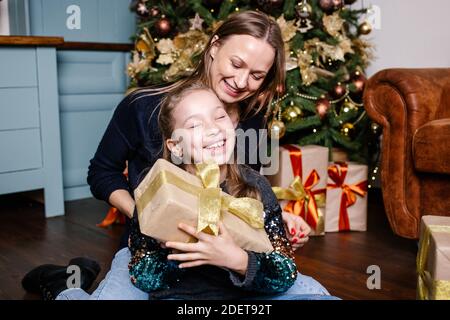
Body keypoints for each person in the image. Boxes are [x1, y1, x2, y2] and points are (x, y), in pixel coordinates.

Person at [22, 10, 316, 300]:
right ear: (214, 48)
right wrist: (156, 215)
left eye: (256, 75)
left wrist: (273, 219)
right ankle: (67, 283)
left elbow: (243, 189)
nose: (241, 82)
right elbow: (101, 173)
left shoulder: (253, 117)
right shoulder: (143, 106)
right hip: (155, 255)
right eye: (236, 64)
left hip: (229, 253)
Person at [126, 81, 335, 300]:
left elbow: (284, 271)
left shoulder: (255, 186)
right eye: (195, 126)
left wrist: (238, 260)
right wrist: (177, 254)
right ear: (176, 146)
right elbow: (142, 275)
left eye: (219, 116)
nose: (213, 129)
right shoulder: (160, 192)